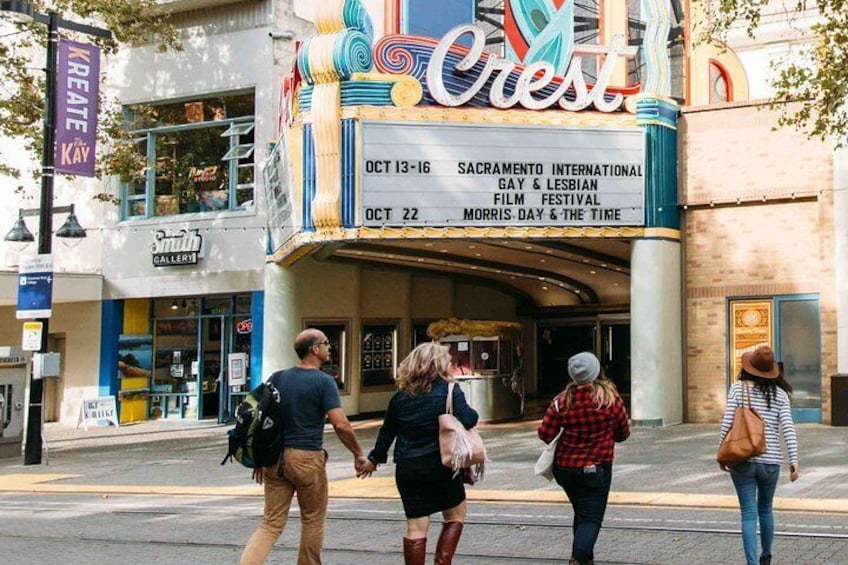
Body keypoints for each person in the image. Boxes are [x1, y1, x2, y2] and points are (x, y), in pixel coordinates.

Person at [240, 328, 368, 565]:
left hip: (274, 460)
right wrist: (358, 453)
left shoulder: (277, 378)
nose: (330, 347)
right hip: (307, 458)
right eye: (326, 343)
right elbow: (341, 424)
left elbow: (260, 419)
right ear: (315, 349)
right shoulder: (324, 382)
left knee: (271, 523)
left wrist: (258, 458)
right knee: (312, 520)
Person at [358, 342, 479, 565]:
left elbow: (387, 433)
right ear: (439, 365)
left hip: (409, 468)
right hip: (442, 466)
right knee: (455, 515)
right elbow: (470, 418)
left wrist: (373, 460)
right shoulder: (450, 391)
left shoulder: (400, 397)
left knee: (415, 526)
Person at [537, 351, 630, 565]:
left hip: (566, 469)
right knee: (590, 519)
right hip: (597, 469)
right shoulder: (609, 399)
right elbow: (623, 433)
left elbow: (545, 434)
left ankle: (587, 560)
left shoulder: (561, 401)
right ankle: (577, 559)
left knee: (581, 513)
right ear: (597, 372)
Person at [719, 345, 799, 565]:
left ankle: (752, 563)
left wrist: (722, 453)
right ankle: (767, 555)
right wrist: (794, 460)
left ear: (749, 367)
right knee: (766, 509)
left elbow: (727, 423)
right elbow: (788, 428)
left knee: (748, 513)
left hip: (742, 459)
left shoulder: (737, 388)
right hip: (771, 461)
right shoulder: (780, 394)